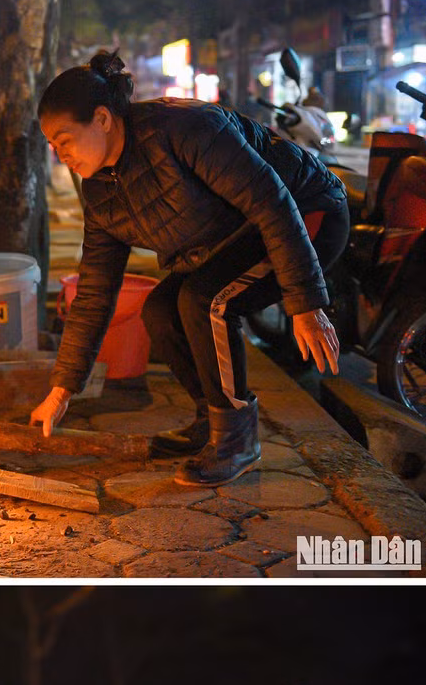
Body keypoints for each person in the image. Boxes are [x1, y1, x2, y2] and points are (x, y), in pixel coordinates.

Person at [32, 51, 348, 485]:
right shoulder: (101, 193)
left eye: (64, 139)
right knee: (160, 310)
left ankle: (238, 441)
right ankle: (213, 423)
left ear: (102, 119)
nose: (59, 153)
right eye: (51, 145)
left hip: (308, 211)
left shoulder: (184, 129)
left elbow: (272, 204)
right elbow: (94, 293)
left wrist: (306, 303)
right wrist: (62, 388)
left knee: (205, 300)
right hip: (233, 235)